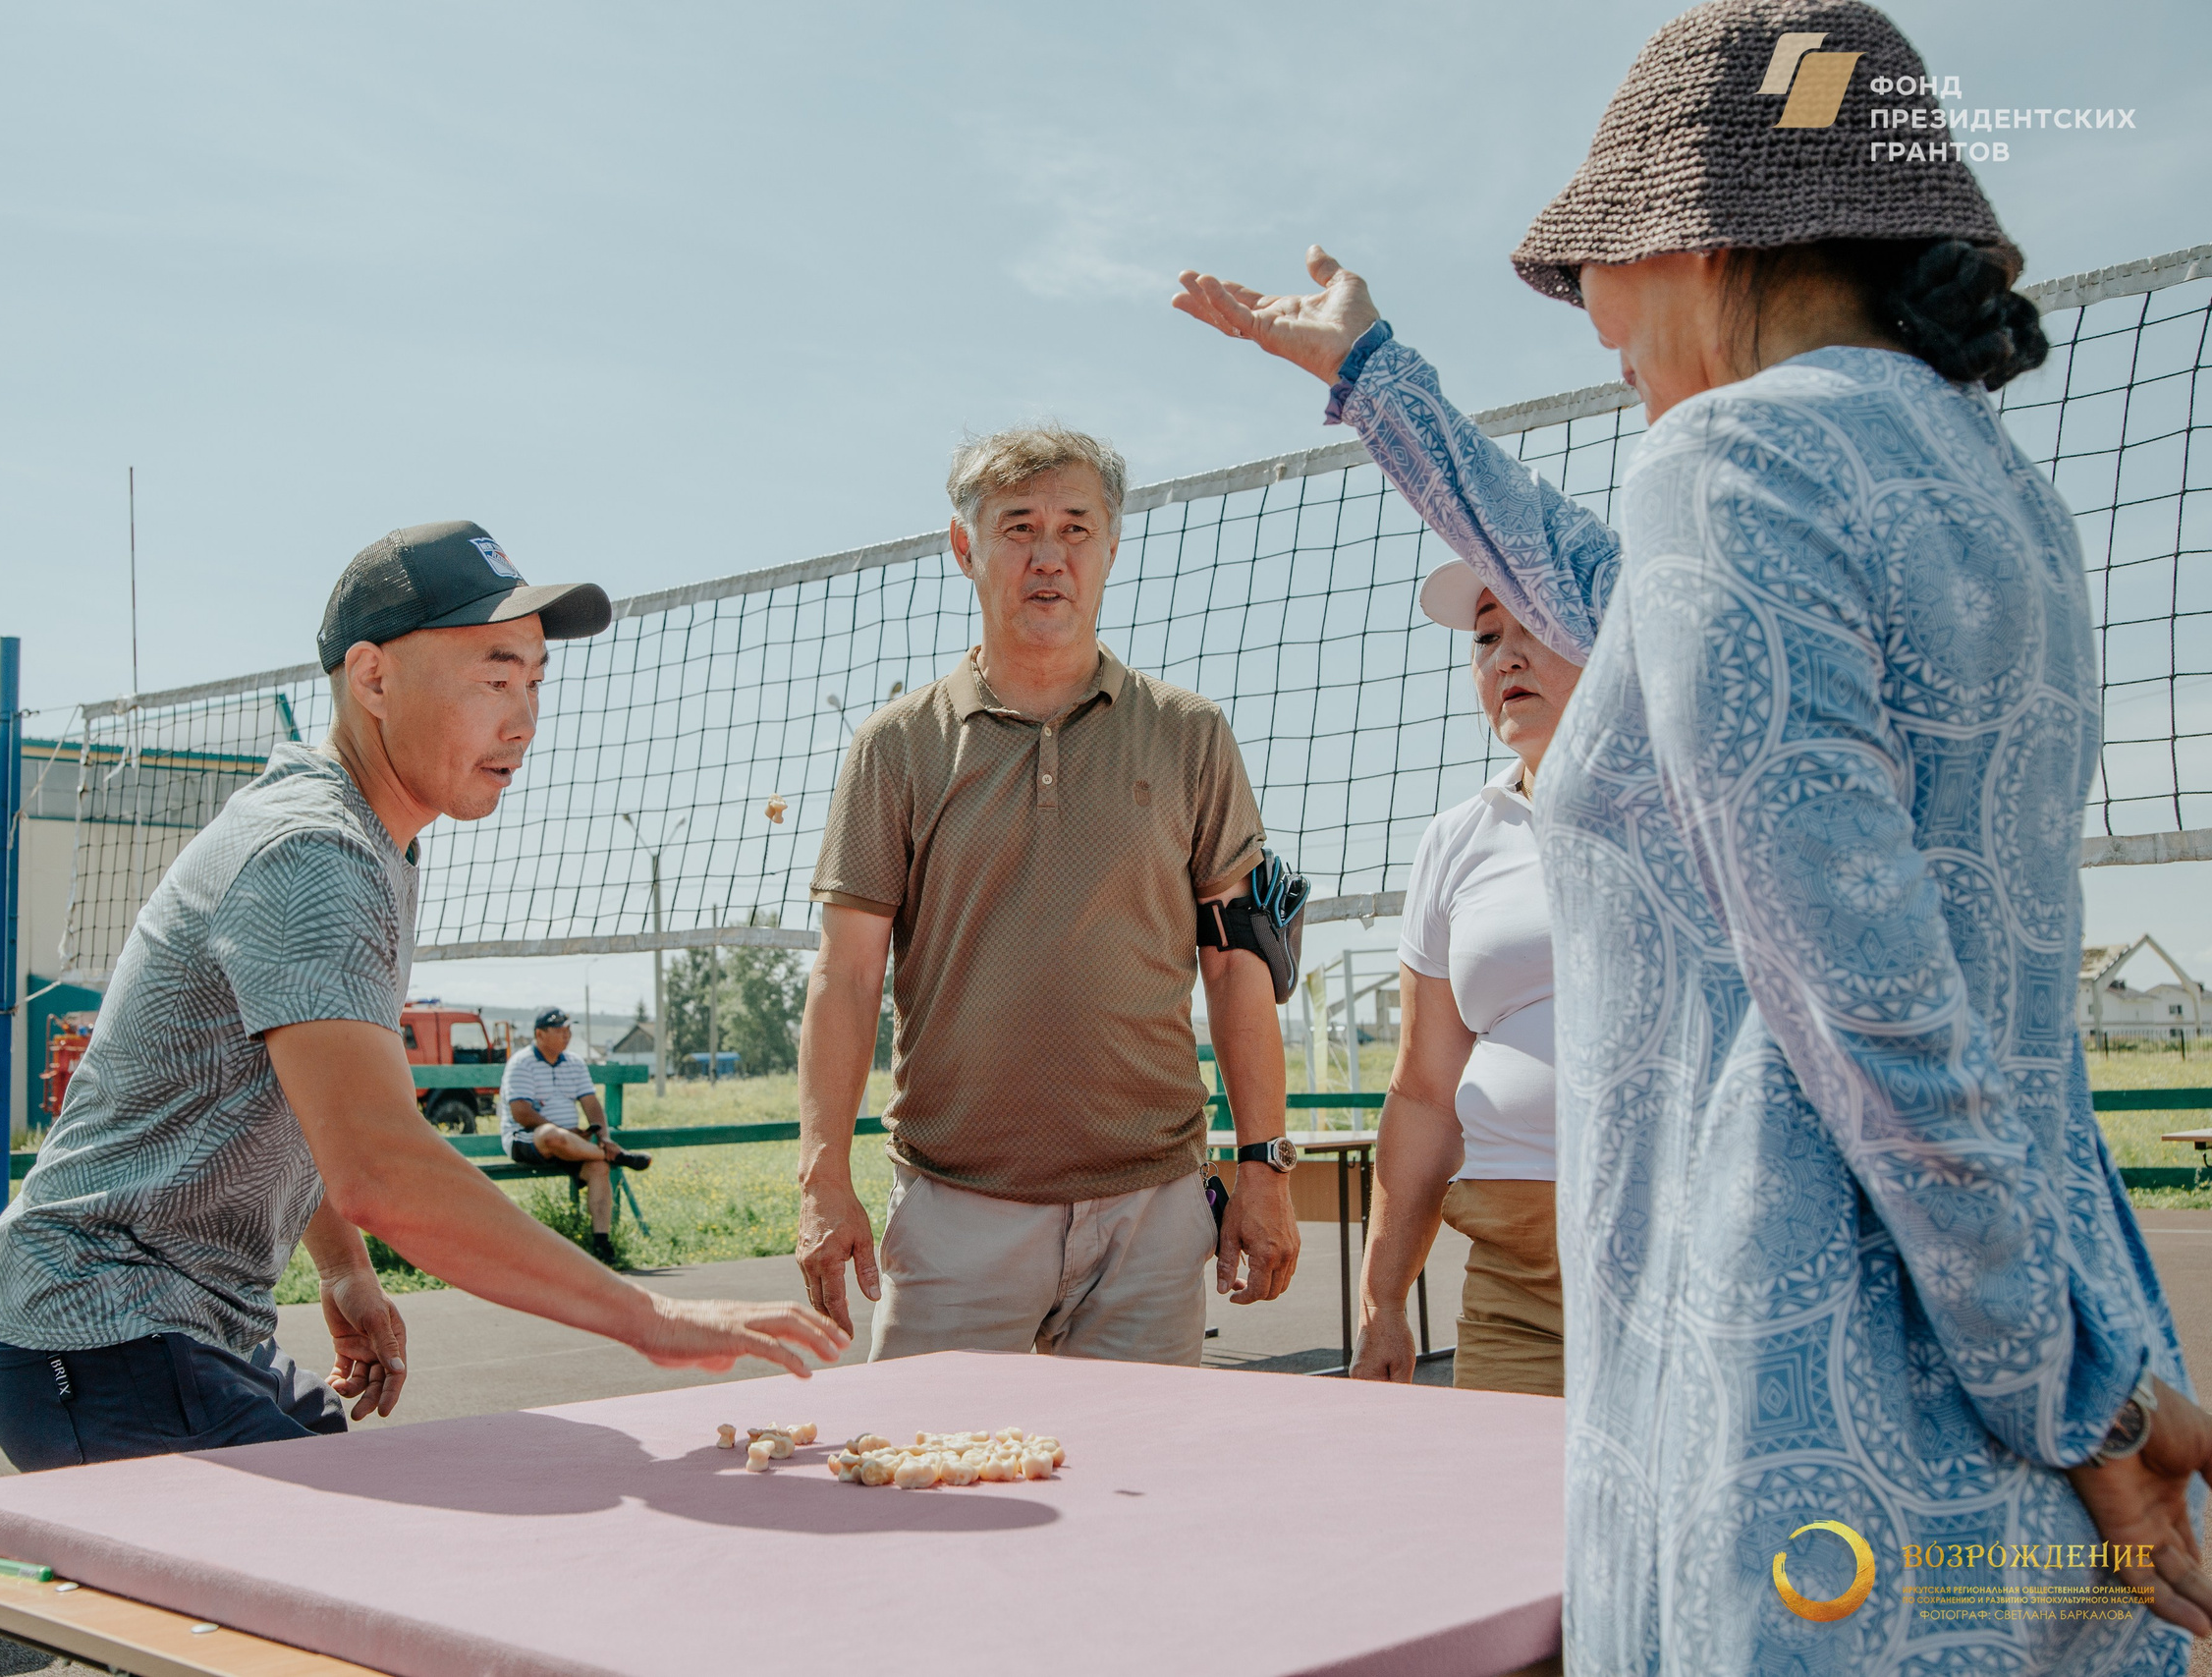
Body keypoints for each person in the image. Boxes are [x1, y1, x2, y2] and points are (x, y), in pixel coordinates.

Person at [1173, 3, 2211, 1669]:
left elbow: (1871, 1004)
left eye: (1592, 264)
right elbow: (1609, 593)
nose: (1592, 324)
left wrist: (2073, 1396)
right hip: (2034, 1396)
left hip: (1840, 1422)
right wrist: (1377, 383)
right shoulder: (1996, 491)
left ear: (1699, 228)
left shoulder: (1729, 458)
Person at [0, 520, 845, 1471]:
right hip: (91, 1332)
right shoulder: (313, 853)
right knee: (341, 1583)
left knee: (339, 1467)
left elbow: (312, 1101)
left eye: (535, 683)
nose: (523, 720)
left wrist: (343, 1267)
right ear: (373, 679)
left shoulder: (369, 840)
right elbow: (380, 1166)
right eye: (493, 676)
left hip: (178, 1325)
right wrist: (651, 1315)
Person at [795, 426, 1300, 1366]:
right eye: (1018, 527)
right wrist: (823, 1179)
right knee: (931, 1489)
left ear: (1112, 547)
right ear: (965, 548)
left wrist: (1263, 1163)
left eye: (1076, 528)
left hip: (1151, 1215)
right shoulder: (895, 747)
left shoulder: (1190, 734)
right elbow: (847, 975)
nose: (1048, 556)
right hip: (955, 1212)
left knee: (1138, 1500)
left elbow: (1238, 969)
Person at [1352, 571, 1579, 1397]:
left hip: (1687, 1264)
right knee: (1507, 1521)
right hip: (1517, 1283)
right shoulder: (1457, 840)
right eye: (1486, 637)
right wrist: (1382, 1299)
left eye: (1539, 626)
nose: (1506, 655)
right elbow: (1422, 1090)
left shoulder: (1699, 804)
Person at [499, 1005, 649, 1262]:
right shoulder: (522, 1063)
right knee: (551, 1135)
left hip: (573, 1145)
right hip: (528, 1140)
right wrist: (561, 1131)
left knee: (598, 1168)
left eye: (568, 1030)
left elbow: (591, 1104)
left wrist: (603, 1137)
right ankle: (615, 1156)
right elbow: (521, 1113)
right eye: (559, 1030)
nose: (566, 1035)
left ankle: (602, 1244)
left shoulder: (574, 1063)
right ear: (540, 1034)